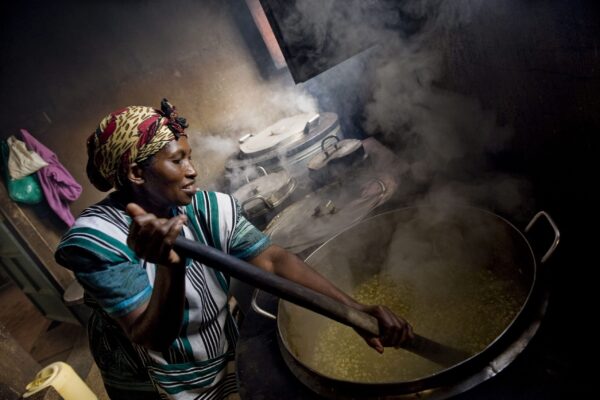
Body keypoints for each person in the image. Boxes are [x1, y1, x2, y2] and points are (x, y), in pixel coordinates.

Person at [55, 99, 413, 400]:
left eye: (189, 157)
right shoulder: (97, 243)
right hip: (150, 379)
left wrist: (355, 312)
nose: (193, 171)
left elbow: (272, 260)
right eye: (177, 160)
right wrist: (170, 268)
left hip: (215, 343)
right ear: (135, 173)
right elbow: (154, 337)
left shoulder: (204, 207)